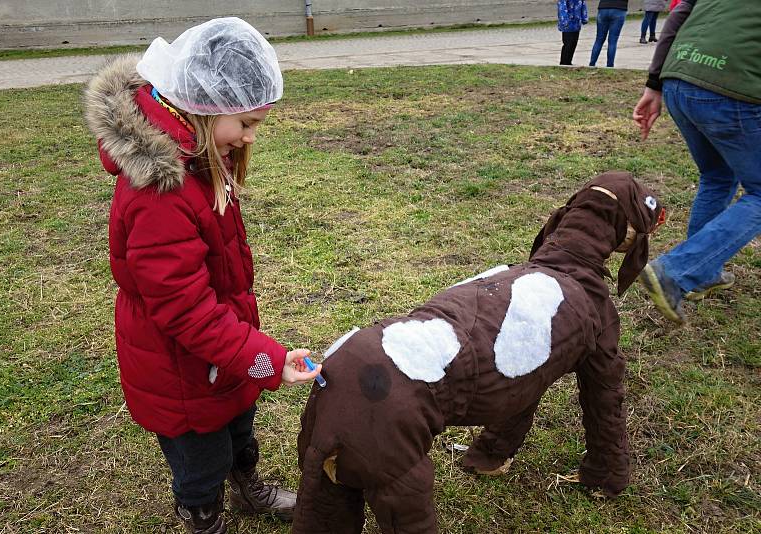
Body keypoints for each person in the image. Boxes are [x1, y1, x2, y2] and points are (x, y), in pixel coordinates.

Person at [293, 173, 666, 534]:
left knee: (326, 499)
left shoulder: (514, 276)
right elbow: (605, 401)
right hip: (390, 403)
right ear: (625, 239)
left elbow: (529, 379)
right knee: (405, 511)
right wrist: (609, 467)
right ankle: (575, 468)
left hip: (345, 362)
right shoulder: (594, 310)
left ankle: (491, 454)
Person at [83, 17, 322, 533]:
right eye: (248, 123)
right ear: (205, 107)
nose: (252, 137)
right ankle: (203, 514)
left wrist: (250, 354)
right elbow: (184, 310)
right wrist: (268, 359)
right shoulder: (159, 194)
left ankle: (246, 485)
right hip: (180, 366)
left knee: (238, 428)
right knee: (199, 459)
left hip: (221, 348)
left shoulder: (198, 159)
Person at [632, 0, 761, 323]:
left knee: (718, 176)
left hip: (680, 79)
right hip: (732, 88)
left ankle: (703, 273)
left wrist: (655, 83)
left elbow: (677, 16)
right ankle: (677, 270)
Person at [589, 0, 629, 68]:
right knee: (612, 41)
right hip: (619, 8)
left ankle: (592, 64)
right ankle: (610, 65)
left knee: (599, 39)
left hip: (603, 8)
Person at [557, 0, 589, 65]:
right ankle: (564, 63)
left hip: (577, 23)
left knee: (574, 43)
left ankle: (568, 62)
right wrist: (565, 21)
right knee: (568, 44)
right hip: (567, 24)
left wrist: (584, 18)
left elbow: (583, 5)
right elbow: (562, 7)